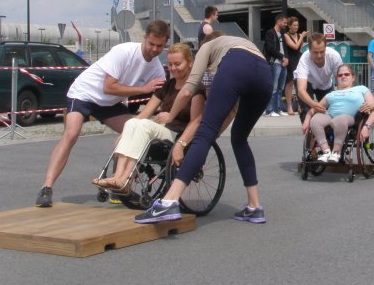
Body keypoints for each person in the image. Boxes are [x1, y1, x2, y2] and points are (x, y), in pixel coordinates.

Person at [134, 34, 272, 225]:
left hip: (237, 65)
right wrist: (209, 139)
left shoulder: (207, 48)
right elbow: (230, 111)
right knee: (239, 139)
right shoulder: (233, 47)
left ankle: (169, 201)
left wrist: (172, 117)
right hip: (265, 74)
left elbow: (188, 90)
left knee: (204, 133)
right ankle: (255, 206)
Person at [35, 20, 169, 207]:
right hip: (84, 93)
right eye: (151, 44)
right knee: (71, 134)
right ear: (145, 38)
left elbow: (160, 96)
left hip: (109, 103)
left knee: (135, 132)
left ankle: (118, 184)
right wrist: (143, 88)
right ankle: (46, 188)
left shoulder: (156, 67)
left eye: (160, 46)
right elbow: (109, 87)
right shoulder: (124, 52)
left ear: (165, 44)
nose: (154, 49)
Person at [92, 43, 204, 193]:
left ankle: (126, 178)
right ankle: (118, 176)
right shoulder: (167, 86)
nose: (173, 68)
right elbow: (145, 112)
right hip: (160, 131)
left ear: (190, 62)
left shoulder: (196, 88)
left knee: (143, 125)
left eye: (177, 64)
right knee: (132, 122)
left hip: (176, 136)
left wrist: (181, 143)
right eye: (170, 64)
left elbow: (195, 121)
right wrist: (125, 133)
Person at [302, 64, 374, 164]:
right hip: (330, 117)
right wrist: (307, 119)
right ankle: (326, 151)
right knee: (316, 120)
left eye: (346, 74)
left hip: (352, 118)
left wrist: (366, 127)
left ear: (353, 78)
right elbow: (314, 109)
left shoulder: (361, 89)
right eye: (340, 75)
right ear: (336, 78)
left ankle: (336, 152)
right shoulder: (331, 94)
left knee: (340, 119)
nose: (343, 76)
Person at [294, 33, 343, 122]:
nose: (319, 55)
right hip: (307, 83)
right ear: (309, 49)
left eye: (322, 52)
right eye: (315, 52)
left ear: (326, 48)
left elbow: (341, 82)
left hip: (325, 84)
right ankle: (309, 133)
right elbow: (301, 91)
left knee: (331, 112)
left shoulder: (334, 56)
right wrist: (313, 105)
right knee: (306, 110)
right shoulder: (304, 59)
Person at [263, 14, 288, 116]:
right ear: (279, 21)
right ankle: (270, 110)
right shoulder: (270, 33)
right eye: (284, 22)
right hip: (275, 63)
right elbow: (270, 49)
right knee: (273, 87)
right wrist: (282, 57)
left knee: (280, 88)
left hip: (283, 63)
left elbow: (284, 48)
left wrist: (286, 59)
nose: (286, 24)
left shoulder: (282, 33)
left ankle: (278, 109)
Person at [283, 17, 306, 116]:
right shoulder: (286, 35)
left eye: (297, 25)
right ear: (289, 26)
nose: (296, 27)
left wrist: (301, 37)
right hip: (291, 59)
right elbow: (295, 46)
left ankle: (300, 106)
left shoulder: (299, 35)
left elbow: (300, 48)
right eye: (294, 25)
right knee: (290, 82)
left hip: (298, 58)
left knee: (300, 82)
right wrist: (302, 37)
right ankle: (289, 106)